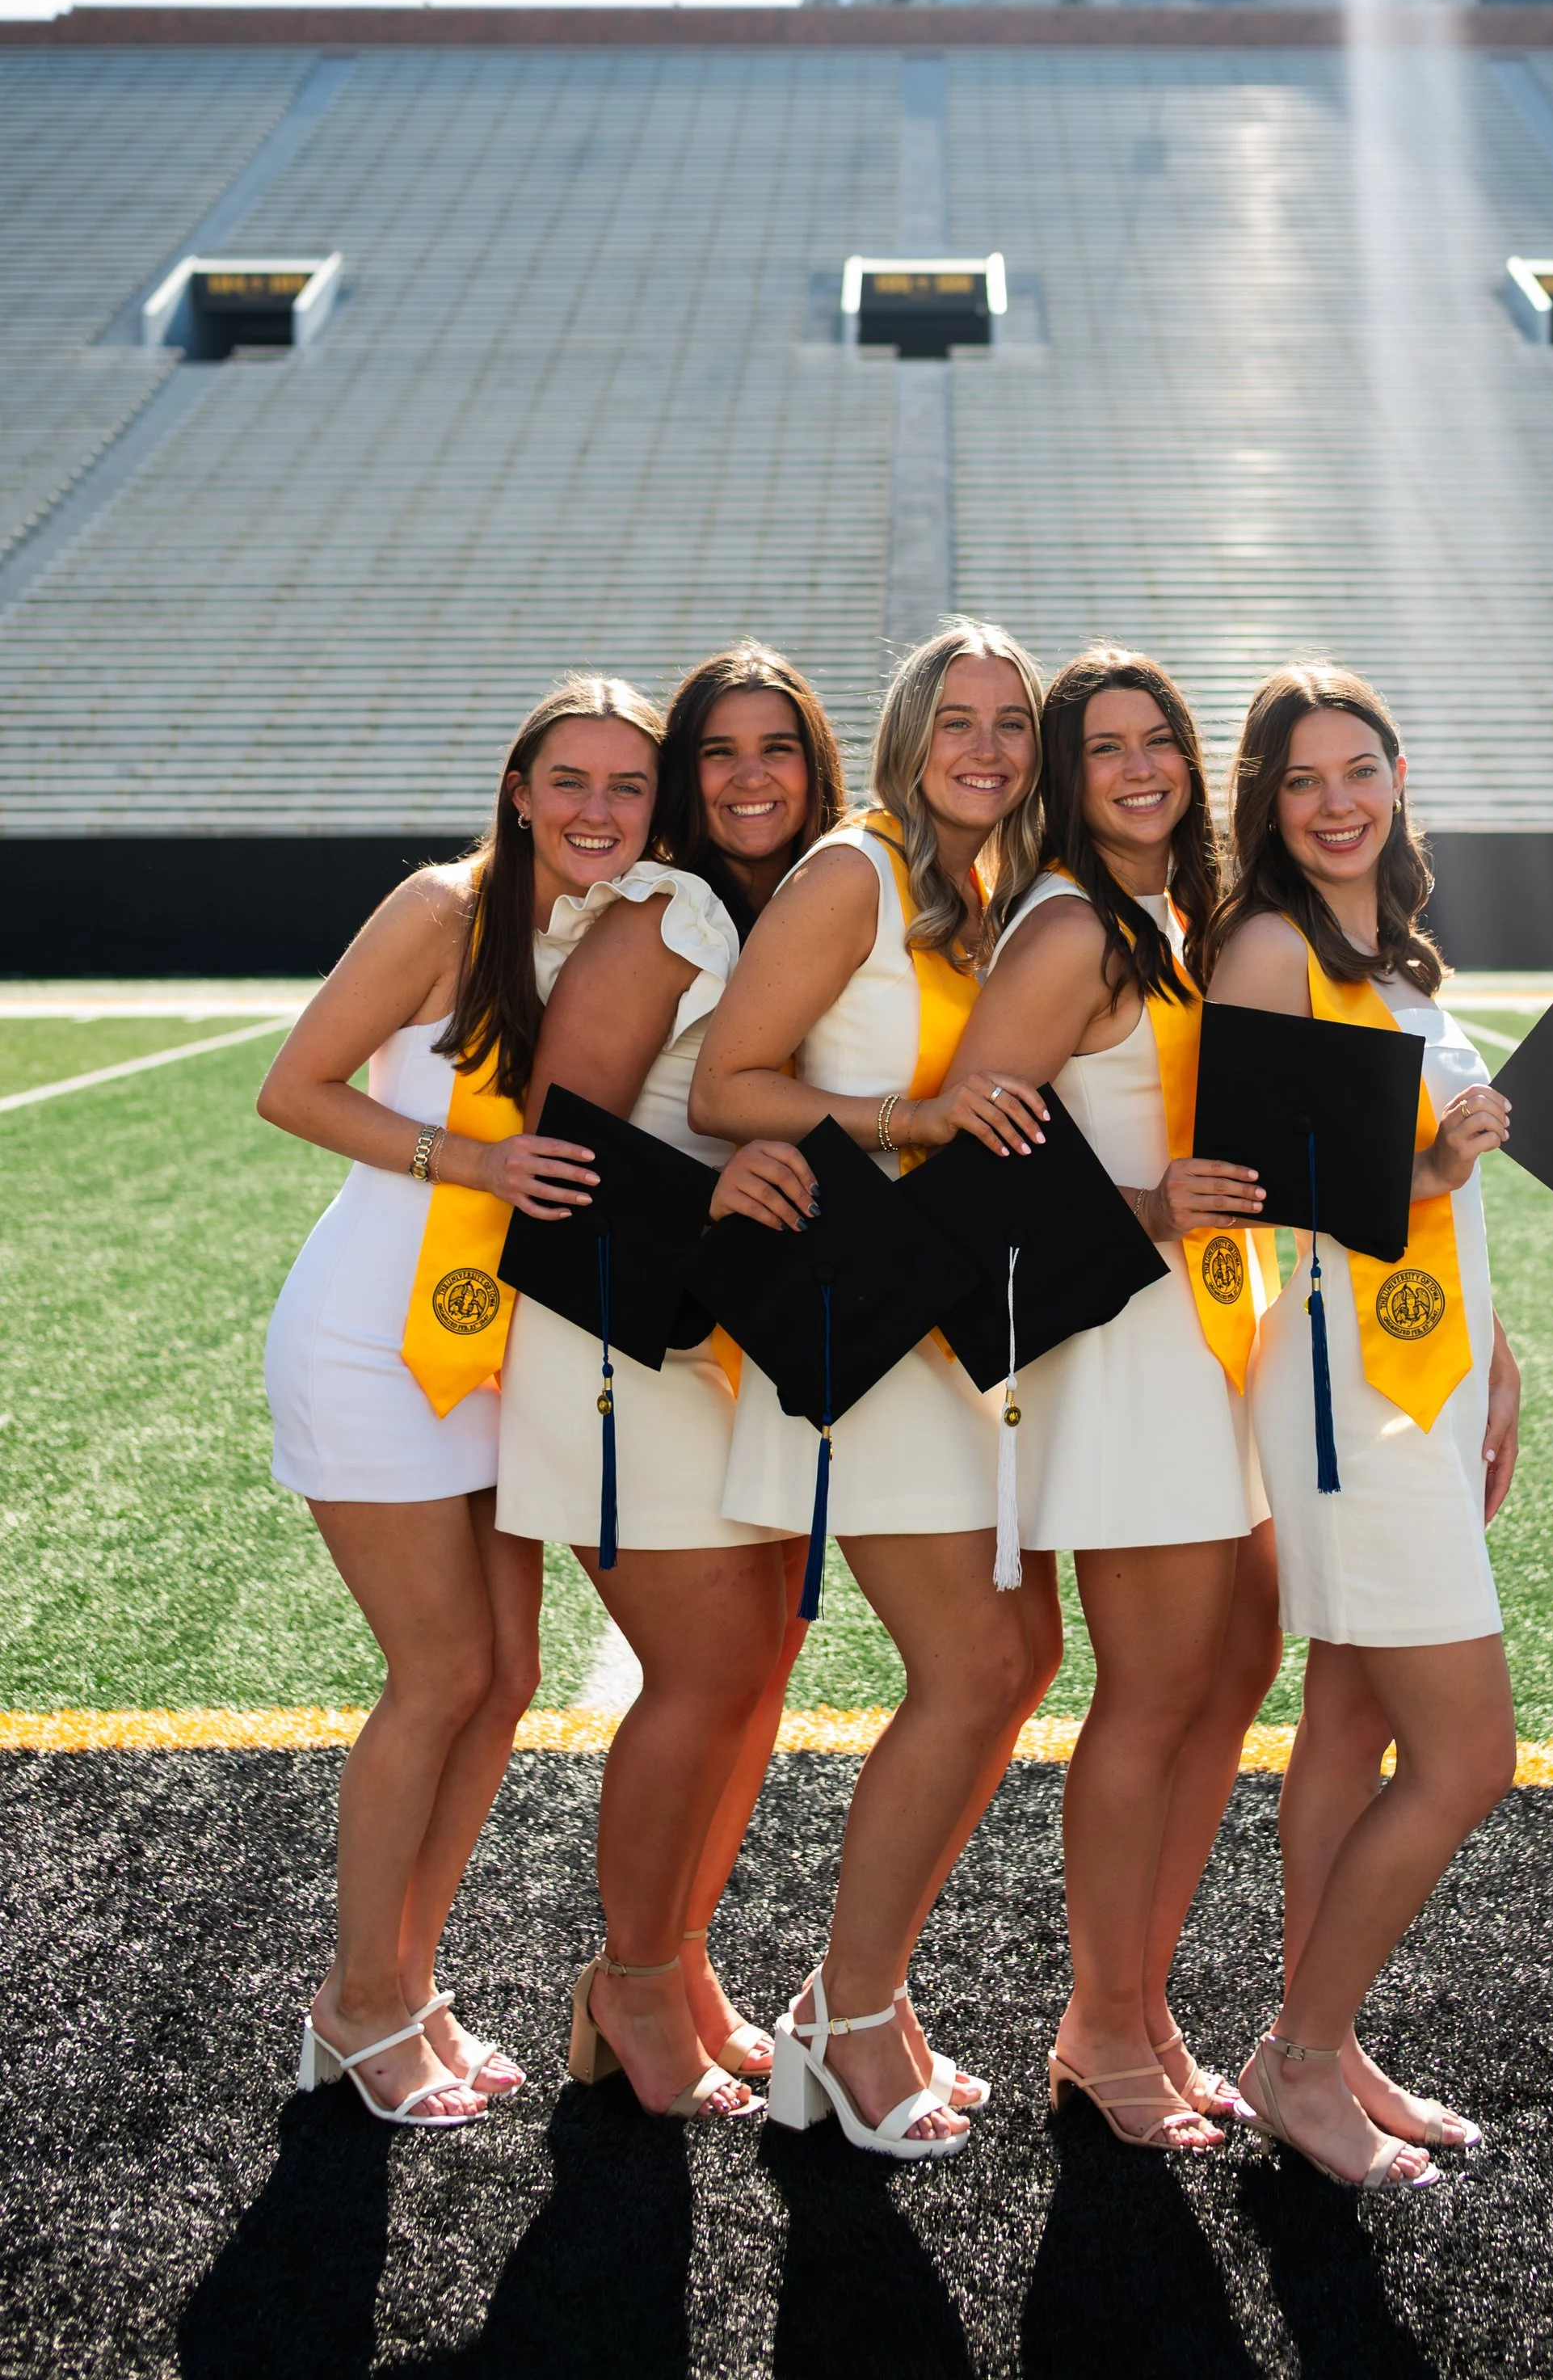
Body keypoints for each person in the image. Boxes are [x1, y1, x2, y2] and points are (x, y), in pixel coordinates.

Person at [259, 676, 663, 2125]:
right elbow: (294, 1088)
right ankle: (357, 2006)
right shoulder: (445, 908)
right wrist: (471, 1164)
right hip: (373, 1342)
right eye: (572, 781)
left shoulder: (627, 929)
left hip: (495, 1349)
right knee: (436, 1676)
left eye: (627, 786)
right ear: (520, 788)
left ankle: (407, 1984)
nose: (598, 811)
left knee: (499, 1678)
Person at [689, 620, 1061, 2159]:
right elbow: (727, 1084)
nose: (986, 747)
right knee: (979, 1663)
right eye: (956, 719)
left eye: (1013, 724)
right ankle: (842, 2016)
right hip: (860, 1325)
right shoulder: (854, 867)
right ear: (910, 735)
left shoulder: (976, 894)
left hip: (946, 1323)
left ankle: (870, 2003)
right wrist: (912, 1117)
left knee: (1022, 1652)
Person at [935, 646, 1284, 2151]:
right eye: (1106, 748)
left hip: (1218, 1340)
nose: (1141, 768)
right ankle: (1098, 2020)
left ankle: (1142, 2001)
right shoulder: (1070, 928)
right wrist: (1148, 1204)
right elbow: (969, 1156)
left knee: (1235, 1667)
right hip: (1131, 1343)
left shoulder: (1182, 920)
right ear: (1069, 782)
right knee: (1154, 1691)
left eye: (1162, 741)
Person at [495, 643, 847, 2117]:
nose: (752, 776)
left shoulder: (792, 911)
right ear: (687, 782)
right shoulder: (672, 907)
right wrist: (715, 1199)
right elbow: (558, 1137)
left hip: (717, 1340)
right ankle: (628, 1985)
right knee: (703, 1671)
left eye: (779, 749)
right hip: (609, 1332)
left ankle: (678, 1960)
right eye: (718, 752)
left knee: (755, 1668)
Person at [1201, 663, 1521, 2194]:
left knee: (1350, 1717)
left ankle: (1323, 2033)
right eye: (1302, 778)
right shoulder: (1267, 947)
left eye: (1360, 769)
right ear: (1265, 804)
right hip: (1343, 1390)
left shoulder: (1395, 958)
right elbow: (1260, 1177)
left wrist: (1498, 1360)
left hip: (1427, 1375)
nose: (1336, 802)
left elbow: (1442, 1202)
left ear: (1399, 775)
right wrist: (1439, 1172)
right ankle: (1302, 2059)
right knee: (1468, 1758)